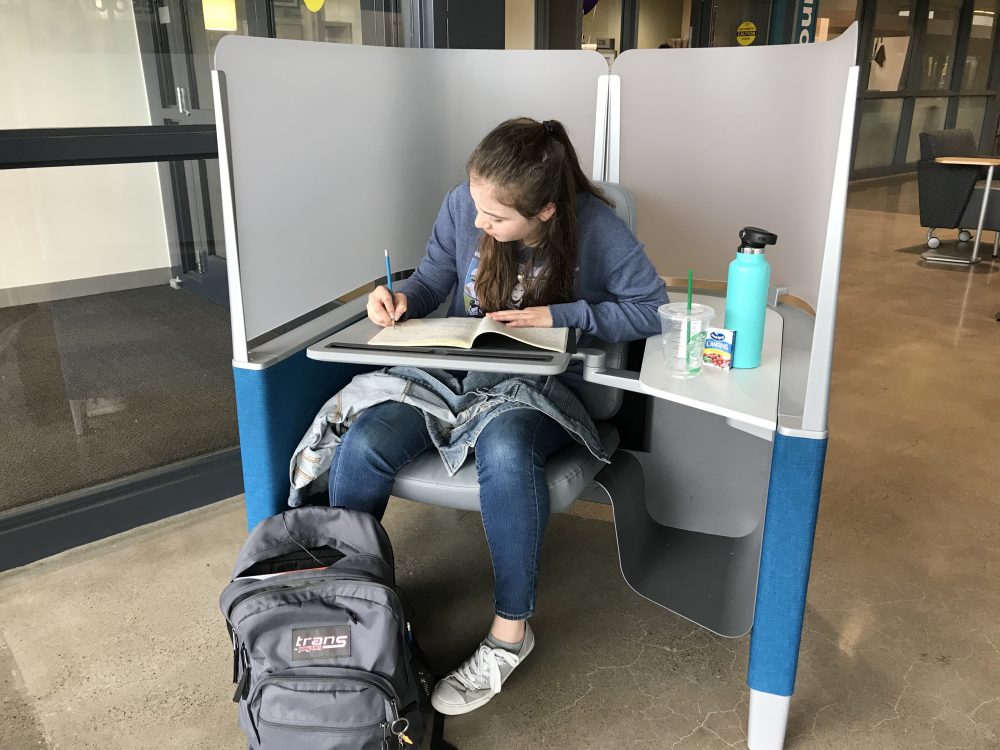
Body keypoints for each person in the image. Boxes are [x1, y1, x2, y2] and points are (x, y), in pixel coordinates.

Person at [330, 117, 667, 715]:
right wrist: (403, 297)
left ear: (544, 214)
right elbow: (436, 275)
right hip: (453, 370)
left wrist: (566, 316)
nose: (478, 222)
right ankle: (349, 604)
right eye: (475, 206)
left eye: (495, 219)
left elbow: (651, 309)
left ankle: (510, 636)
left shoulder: (594, 226)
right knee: (364, 443)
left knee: (506, 451)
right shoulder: (466, 203)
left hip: (541, 384)